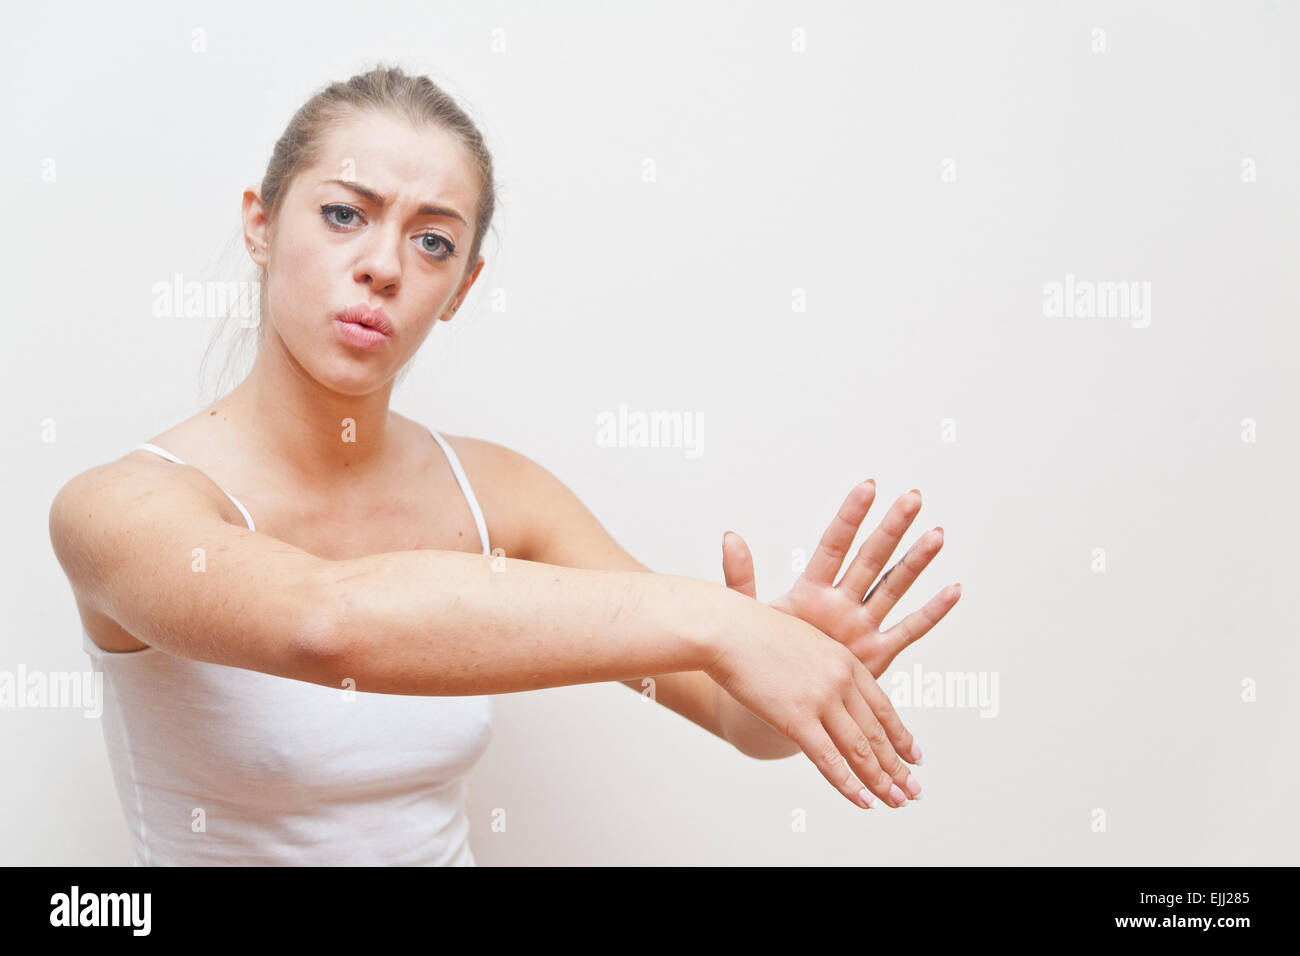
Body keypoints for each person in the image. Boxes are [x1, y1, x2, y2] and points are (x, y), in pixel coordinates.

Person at [47, 64, 961, 866]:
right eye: (342, 215)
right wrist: (713, 619)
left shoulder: (502, 494)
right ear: (259, 223)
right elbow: (324, 625)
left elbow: (733, 719)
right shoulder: (121, 508)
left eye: (433, 240)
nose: (382, 266)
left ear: (462, 289)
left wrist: (798, 662)